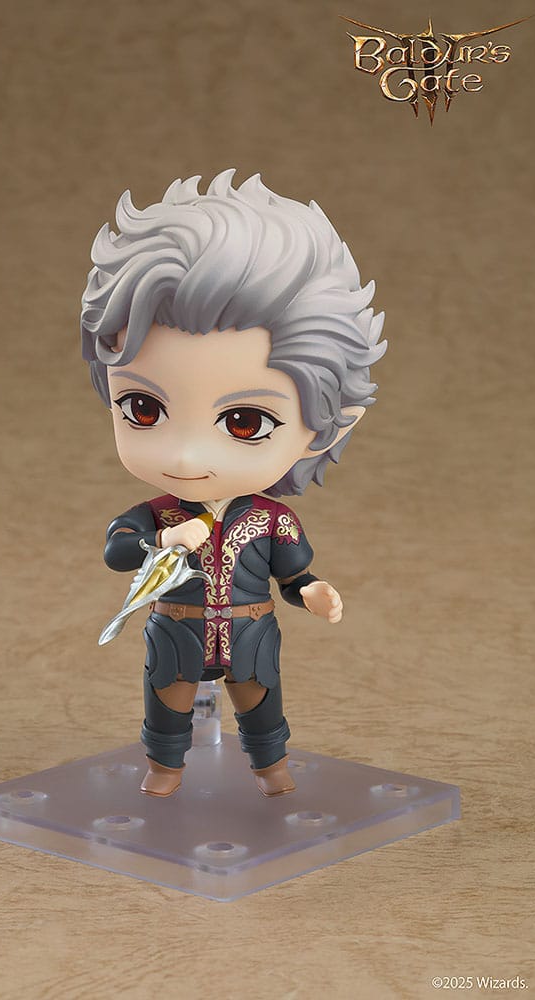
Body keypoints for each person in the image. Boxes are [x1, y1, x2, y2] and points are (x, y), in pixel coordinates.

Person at [81, 170, 386, 797]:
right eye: (143, 408)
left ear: (326, 427)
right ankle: (164, 770)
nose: (187, 454)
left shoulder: (273, 521)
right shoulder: (157, 513)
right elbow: (118, 550)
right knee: (166, 704)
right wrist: (163, 543)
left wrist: (313, 592)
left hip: (250, 630)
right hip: (177, 628)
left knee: (262, 704)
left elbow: (293, 576)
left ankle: (272, 769)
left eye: (244, 422)